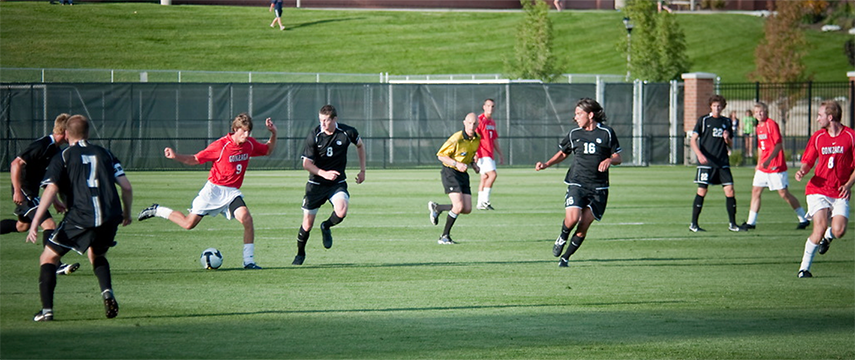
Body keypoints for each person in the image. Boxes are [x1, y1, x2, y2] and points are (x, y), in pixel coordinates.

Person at [27, 115, 133, 321]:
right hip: (110, 215)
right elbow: (126, 187)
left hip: (81, 216)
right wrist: (126, 213)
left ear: (66, 134)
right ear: (88, 133)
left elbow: (51, 190)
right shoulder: (106, 153)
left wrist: (35, 221)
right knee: (98, 255)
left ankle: (47, 311)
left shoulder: (64, 156)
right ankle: (107, 292)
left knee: (48, 258)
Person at [138, 113, 277, 270]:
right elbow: (195, 159)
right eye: (243, 131)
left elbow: (267, 150)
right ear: (235, 129)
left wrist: (273, 133)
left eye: (248, 132)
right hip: (213, 191)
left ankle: (249, 261)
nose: (247, 135)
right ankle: (158, 210)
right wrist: (175, 156)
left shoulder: (249, 144)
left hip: (231, 193)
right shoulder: (221, 145)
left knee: (247, 219)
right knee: (188, 224)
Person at [536, 98, 621, 267]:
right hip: (577, 182)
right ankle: (562, 236)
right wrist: (546, 164)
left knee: (583, 225)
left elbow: (618, 156)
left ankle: (565, 258)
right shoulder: (575, 134)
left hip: (599, 188)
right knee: (573, 218)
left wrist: (610, 161)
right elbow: (562, 153)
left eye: (578, 114)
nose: (575, 117)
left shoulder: (607, 133)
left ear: (590, 115)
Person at [0, 113, 79, 276]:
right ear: (65, 132)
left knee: (22, 226)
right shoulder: (44, 144)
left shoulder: (56, 150)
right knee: (49, 225)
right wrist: (17, 190)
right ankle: (54, 264)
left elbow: (45, 178)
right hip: (25, 192)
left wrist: (55, 200)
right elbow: (16, 164)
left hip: (32, 192)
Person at [292, 105, 366, 265]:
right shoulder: (315, 135)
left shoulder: (347, 132)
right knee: (307, 224)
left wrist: (362, 171)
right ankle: (300, 254)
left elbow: (360, 145)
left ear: (334, 119)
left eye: (326, 120)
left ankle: (326, 226)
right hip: (315, 184)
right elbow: (306, 163)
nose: (323, 124)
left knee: (342, 210)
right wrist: (323, 173)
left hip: (336, 183)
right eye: (321, 120)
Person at [794, 100, 854, 278]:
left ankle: (829, 236)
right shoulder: (818, 136)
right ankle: (804, 269)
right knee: (818, 228)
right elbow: (808, 160)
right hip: (818, 189)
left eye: (820, 115)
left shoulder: (850, 136)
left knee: (839, 231)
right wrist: (802, 171)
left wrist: (848, 185)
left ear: (830, 117)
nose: (818, 119)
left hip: (840, 191)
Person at [739, 102, 809, 231]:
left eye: (761, 112)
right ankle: (751, 223)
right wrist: (759, 163)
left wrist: (769, 160)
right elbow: (761, 147)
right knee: (755, 191)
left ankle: (803, 219)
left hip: (776, 166)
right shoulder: (758, 127)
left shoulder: (771, 124)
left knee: (784, 194)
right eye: (756, 112)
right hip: (763, 167)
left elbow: (778, 145)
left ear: (766, 112)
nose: (759, 114)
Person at [689, 95, 744, 232]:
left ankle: (733, 224)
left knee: (730, 190)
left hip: (722, 162)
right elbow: (693, 140)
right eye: (714, 106)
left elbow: (731, 143)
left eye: (719, 106)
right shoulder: (703, 120)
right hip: (707, 163)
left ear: (723, 107)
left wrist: (727, 139)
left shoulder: (726, 121)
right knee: (702, 191)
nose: (716, 108)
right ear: (710, 106)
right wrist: (699, 155)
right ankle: (694, 224)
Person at [428, 113, 481, 245]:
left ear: (478, 125)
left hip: (463, 174)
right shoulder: (456, 138)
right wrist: (456, 164)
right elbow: (441, 155)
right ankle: (444, 236)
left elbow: (470, 155)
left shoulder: (476, 139)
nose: (471, 126)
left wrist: (473, 165)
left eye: (474, 123)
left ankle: (438, 208)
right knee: (458, 206)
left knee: (466, 209)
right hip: (450, 172)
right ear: (464, 122)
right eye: (469, 123)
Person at [475, 98, 504, 210]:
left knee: (484, 177)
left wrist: (500, 153)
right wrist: (475, 153)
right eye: (488, 106)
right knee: (492, 175)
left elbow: (494, 139)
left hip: (490, 153)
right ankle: (485, 201)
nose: (490, 108)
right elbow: (475, 138)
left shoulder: (492, 122)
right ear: (484, 107)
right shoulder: (480, 120)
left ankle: (479, 203)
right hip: (483, 153)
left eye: (492, 106)